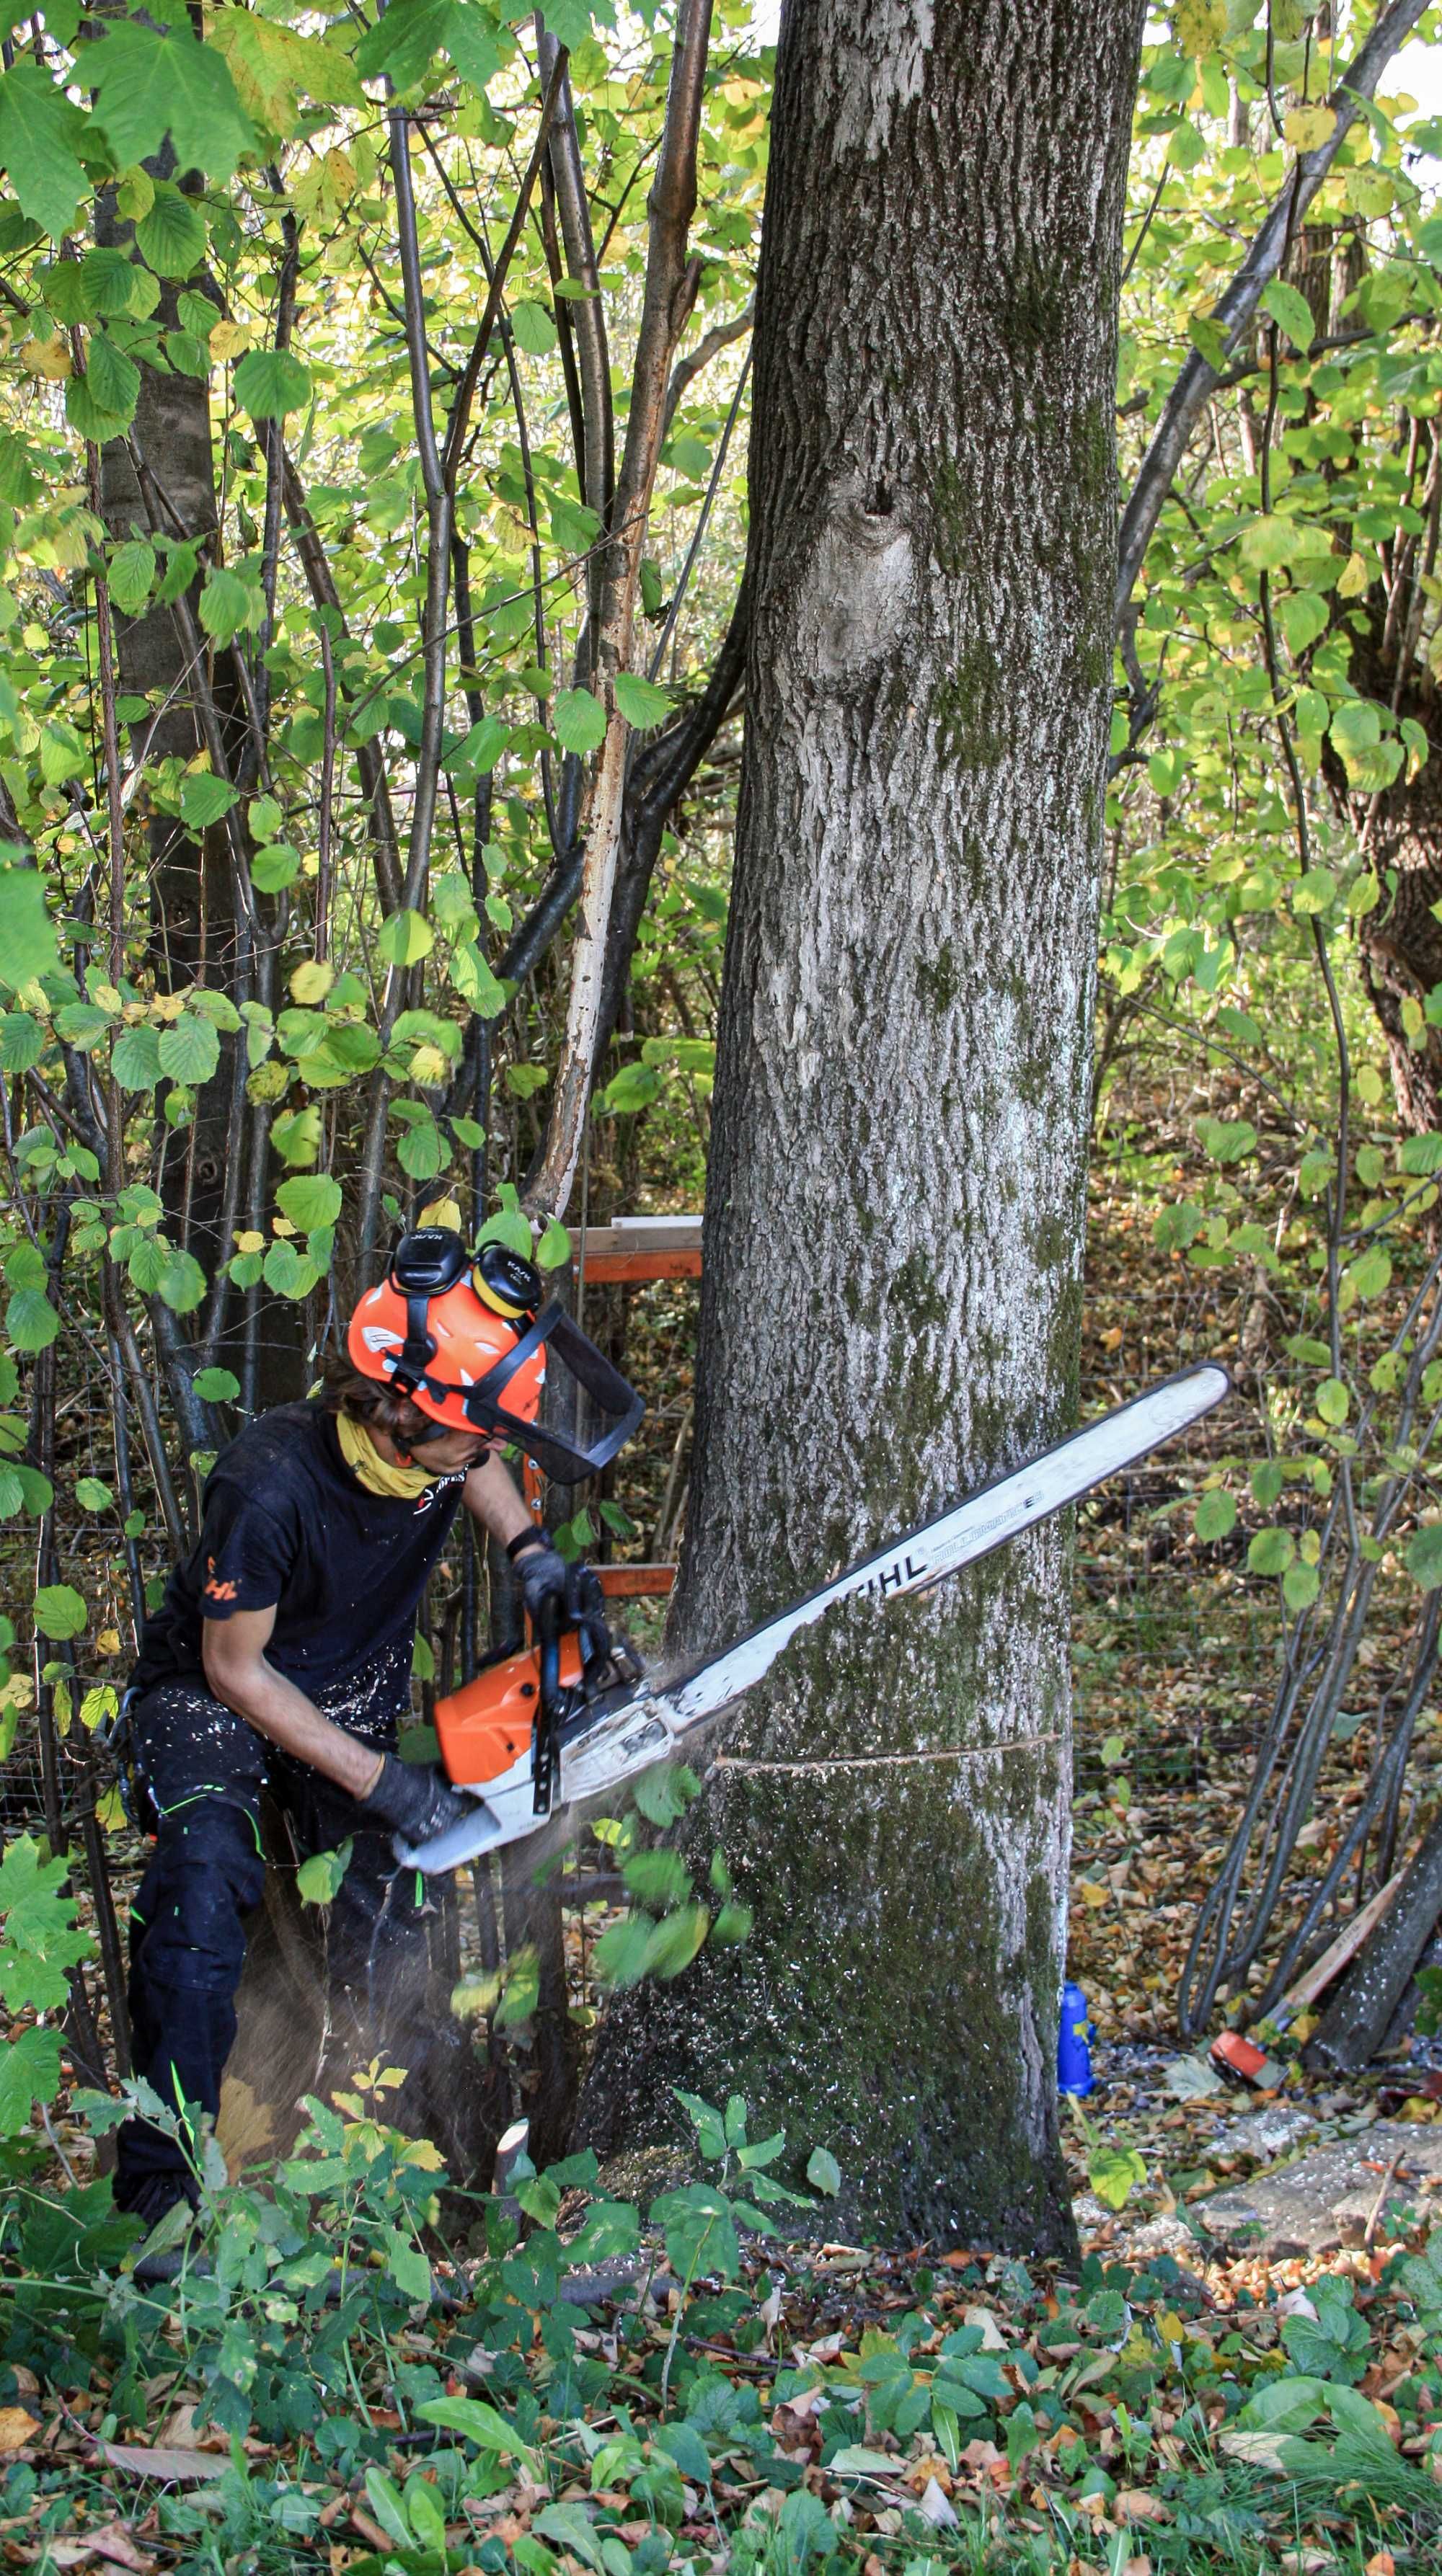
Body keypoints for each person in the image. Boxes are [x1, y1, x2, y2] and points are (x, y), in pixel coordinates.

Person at [112, 1228, 640, 2234]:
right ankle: (161, 2199)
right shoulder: (269, 1486)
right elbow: (235, 1669)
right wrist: (380, 1779)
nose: (489, 1456)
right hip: (210, 1693)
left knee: (399, 1901)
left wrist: (529, 1550)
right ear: (403, 1414)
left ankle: (395, 2184)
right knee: (201, 1881)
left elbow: (472, 1457)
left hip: (343, 1688)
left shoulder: (432, 1446)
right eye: (475, 1438)